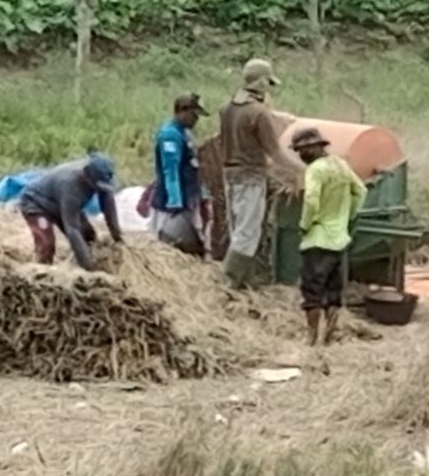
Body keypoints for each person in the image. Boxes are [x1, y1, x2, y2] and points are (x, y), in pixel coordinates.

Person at [219, 58, 304, 287]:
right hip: (250, 176)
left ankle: (245, 281)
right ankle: (227, 283)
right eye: (268, 82)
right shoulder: (258, 113)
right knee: (248, 234)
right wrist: (301, 169)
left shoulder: (226, 108)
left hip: (229, 175)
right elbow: (275, 152)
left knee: (238, 230)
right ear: (261, 83)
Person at [290, 127, 366, 346]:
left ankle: (311, 339)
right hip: (339, 240)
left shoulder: (315, 169)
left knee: (312, 291)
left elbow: (312, 199)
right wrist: (348, 217)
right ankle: (328, 338)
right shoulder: (340, 165)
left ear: (314, 148)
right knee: (334, 293)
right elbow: (360, 191)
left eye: (302, 150)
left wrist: (305, 224)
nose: (301, 155)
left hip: (317, 239)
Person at [18, 152, 124, 272]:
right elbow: (72, 229)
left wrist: (118, 238)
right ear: (87, 176)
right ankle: (38, 274)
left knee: (89, 237)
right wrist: (89, 270)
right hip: (36, 205)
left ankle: (77, 264)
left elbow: (109, 208)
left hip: (61, 203)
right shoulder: (71, 185)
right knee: (47, 245)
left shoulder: (102, 179)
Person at [149, 93, 211, 257]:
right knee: (169, 242)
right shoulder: (170, 135)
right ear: (182, 112)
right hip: (171, 202)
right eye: (194, 115)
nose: (196, 120)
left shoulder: (185, 133)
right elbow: (171, 170)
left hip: (189, 197)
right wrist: (174, 200)